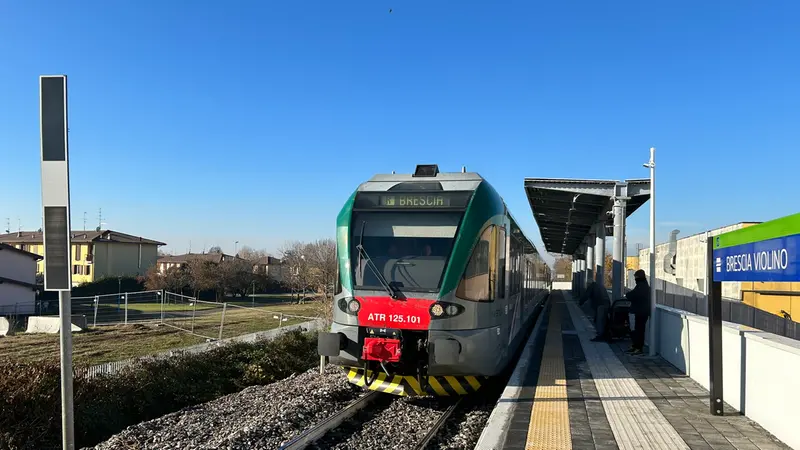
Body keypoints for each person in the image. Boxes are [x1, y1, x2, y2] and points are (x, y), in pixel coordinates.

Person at [625, 269, 651, 355]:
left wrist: (628, 294)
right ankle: (636, 346)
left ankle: (638, 347)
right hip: (642, 311)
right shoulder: (644, 285)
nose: (635, 279)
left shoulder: (641, 286)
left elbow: (632, 295)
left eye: (636, 277)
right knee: (638, 329)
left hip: (640, 311)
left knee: (639, 330)